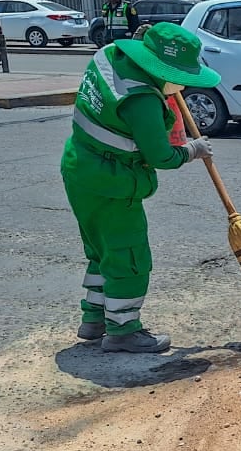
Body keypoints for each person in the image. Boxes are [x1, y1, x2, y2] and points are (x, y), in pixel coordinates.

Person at [61, 22, 220, 353]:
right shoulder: (142, 99)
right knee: (128, 254)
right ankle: (122, 330)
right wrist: (194, 150)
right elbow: (160, 155)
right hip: (112, 180)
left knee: (101, 249)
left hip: (80, 168)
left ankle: (94, 319)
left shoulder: (108, 56)